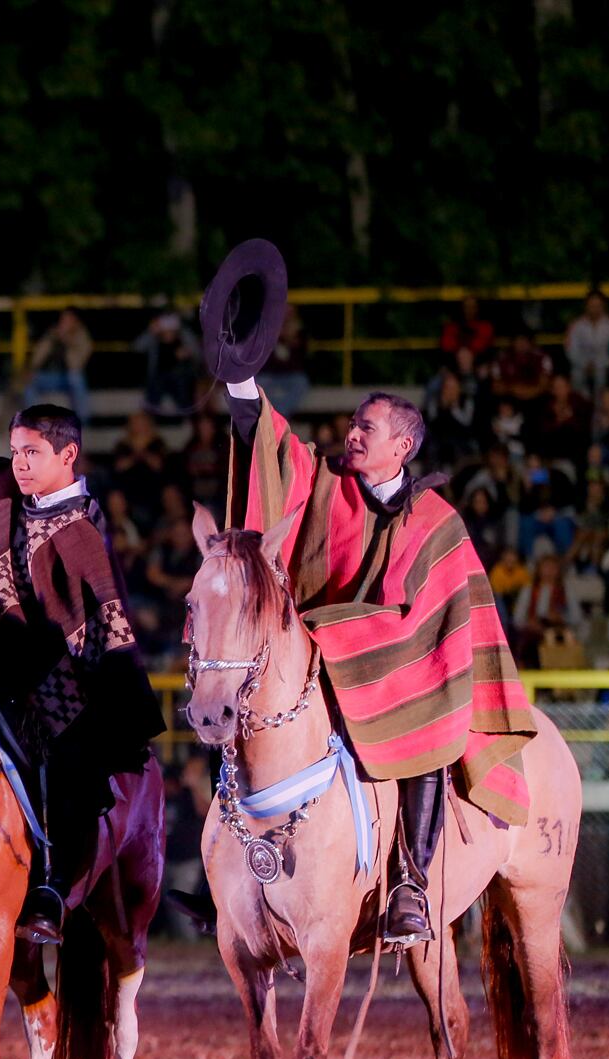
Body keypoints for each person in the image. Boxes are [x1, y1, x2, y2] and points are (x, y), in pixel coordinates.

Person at [224, 376, 535, 947]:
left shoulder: (439, 522)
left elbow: (445, 621)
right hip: (322, 653)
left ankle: (410, 885)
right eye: (352, 424)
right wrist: (242, 381)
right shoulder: (324, 483)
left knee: (426, 717)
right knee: (241, 699)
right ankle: (235, 874)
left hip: (404, 670)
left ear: (403, 446)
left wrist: (391, 652)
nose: (353, 434)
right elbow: (272, 445)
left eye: (367, 427)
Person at [0, 363, 164, 944]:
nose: (18, 464)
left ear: (68, 456)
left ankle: (50, 882)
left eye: (32, 453)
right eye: (16, 451)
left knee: (66, 760)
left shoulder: (83, 526)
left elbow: (100, 624)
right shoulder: (4, 493)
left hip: (64, 679)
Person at [25, 308, 92, 423]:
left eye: (67, 320)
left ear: (75, 321)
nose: (64, 322)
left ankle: (83, 420)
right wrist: (50, 339)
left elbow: (75, 365)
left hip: (70, 379)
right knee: (29, 382)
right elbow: (38, 356)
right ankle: (35, 420)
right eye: (63, 319)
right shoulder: (52, 334)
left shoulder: (82, 336)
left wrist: (66, 340)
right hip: (54, 378)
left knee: (75, 378)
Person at [565, 290, 609, 406]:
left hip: (605, 368)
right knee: (576, 377)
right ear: (586, 306)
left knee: (603, 376)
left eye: (598, 306)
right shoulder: (576, 325)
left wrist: (599, 365)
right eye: (592, 305)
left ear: (604, 306)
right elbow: (571, 350)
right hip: (581, 369)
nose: (595, 309)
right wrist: (585, 364)